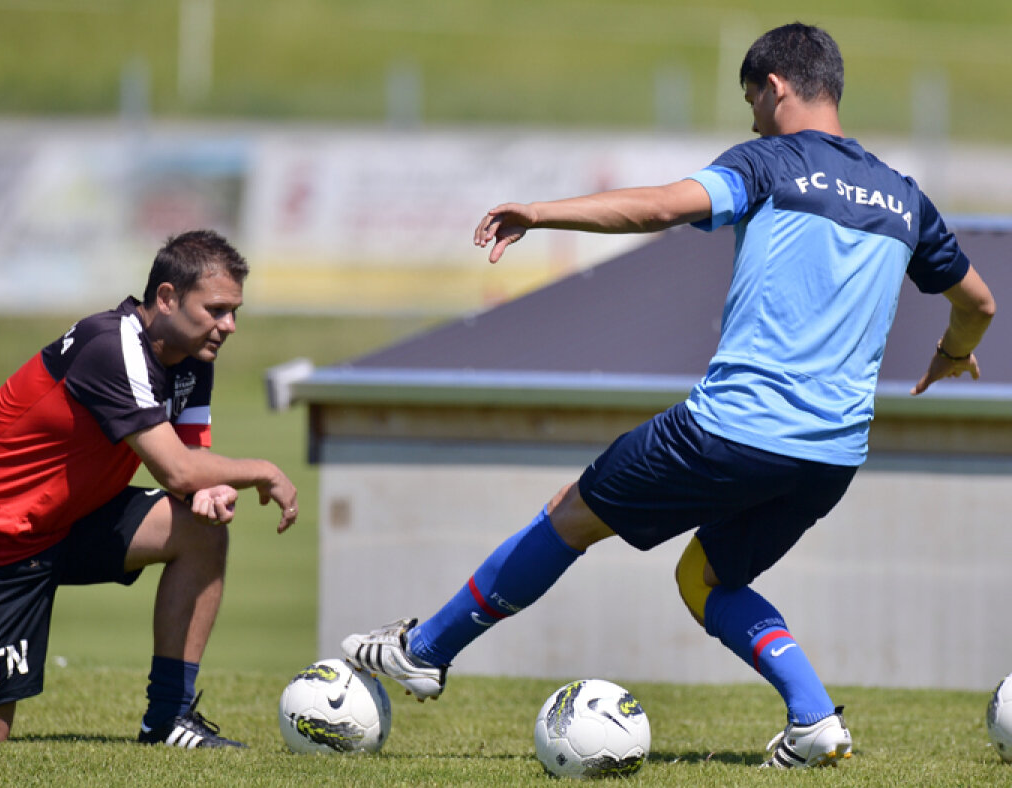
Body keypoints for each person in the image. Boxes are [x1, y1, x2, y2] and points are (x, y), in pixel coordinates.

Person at [341, 22, 995, 769]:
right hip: (832, 455)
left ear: (775, 87)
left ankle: (424, 652)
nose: (750, 117)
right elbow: (979, 302)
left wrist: (539, 212)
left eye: (752, 100)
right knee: (706, 576)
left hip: (733, 430)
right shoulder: (905, 198)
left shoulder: (770, 161)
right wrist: (951, 355)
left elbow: (659, 207)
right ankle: (814, 722)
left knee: (570, 515)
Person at [0, 229, 299, 748]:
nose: (229, 325)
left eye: (234, 312)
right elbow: (177, 471)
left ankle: (168, 722)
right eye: (218, 309)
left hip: (68, 520)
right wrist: (263, 471)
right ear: (167, 298)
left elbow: (193, 462)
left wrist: (211, 492)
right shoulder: (112, 346)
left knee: (201, 533)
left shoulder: (192, 358)